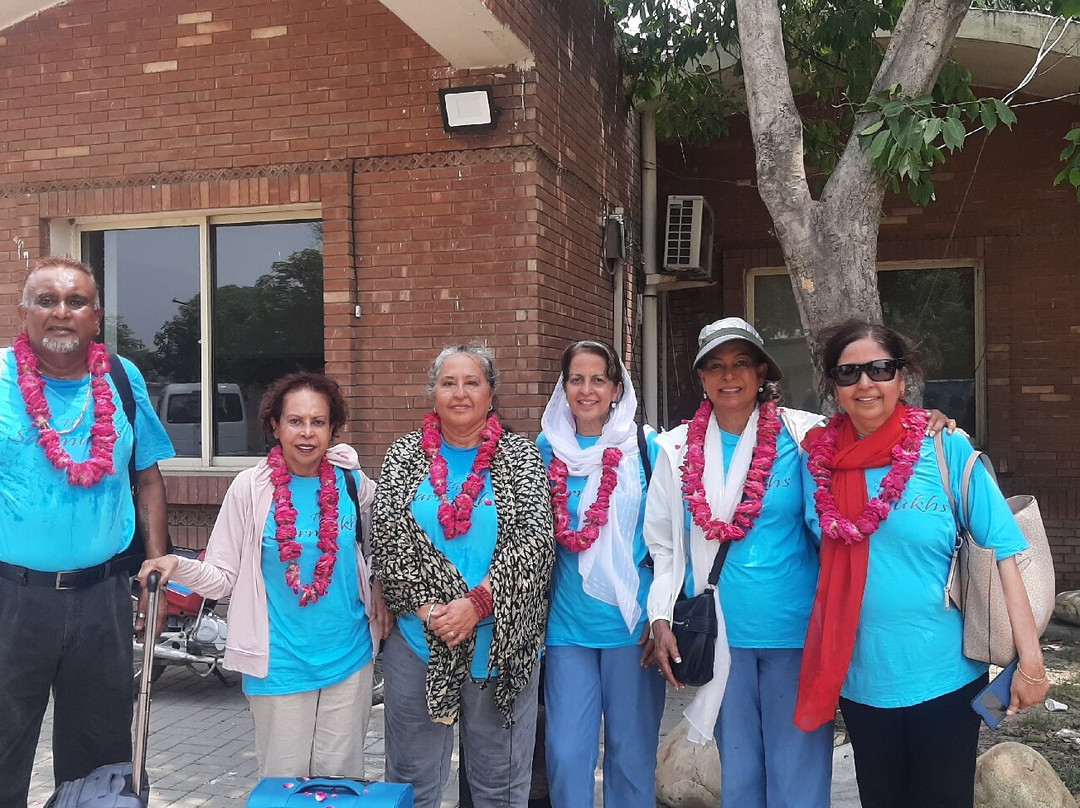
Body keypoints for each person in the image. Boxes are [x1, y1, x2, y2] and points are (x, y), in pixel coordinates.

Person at [794, 319, 1050, 808]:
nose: (865, 383)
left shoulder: (945, 448)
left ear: (903, 378)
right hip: (861, 678)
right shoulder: (816, 461)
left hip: (947, 676)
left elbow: (1006, 558)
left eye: (880, 369)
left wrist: (1031, 663)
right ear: (833, 386)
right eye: (849, 374)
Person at [139, 372, 389, 777]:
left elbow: (385, 547)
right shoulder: (251, 488)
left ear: (332, 428)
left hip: (350, 658)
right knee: (283, 789)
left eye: (318, 422)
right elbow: (223, 575)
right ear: (275, 425)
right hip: (280, 664)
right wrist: (175, 564)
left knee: (341, 787)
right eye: (295, 421)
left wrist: (380, 586)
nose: (306, 433)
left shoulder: (353, 485)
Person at [0, 256, 174, 805]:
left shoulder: (124, 379)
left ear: (96, 317)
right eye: (46, 301)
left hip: (102, 600)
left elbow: (146, 479)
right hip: (11, 599)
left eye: (76, 302)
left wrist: (155, 565)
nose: (60, 313)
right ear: (23, 312)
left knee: (99, 760)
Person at [644, 317, 836, 808]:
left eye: (741, 363)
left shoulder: (805, 436)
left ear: (762, 372)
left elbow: (831, 525)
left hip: (795, 632)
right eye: (716, 366)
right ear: (702, 378)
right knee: (740, 777)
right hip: (721, 636)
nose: (729, 376)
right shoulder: (675, 449)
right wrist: (661, 616)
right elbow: (663, 544)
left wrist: (936, 423)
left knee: (798, 774)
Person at [372, 344, 554, 808]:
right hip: (418, 641)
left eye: (471, 382)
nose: (459, 392)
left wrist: (476, 605)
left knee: (501, 787)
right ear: (432, 393)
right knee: (411, 784)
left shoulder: (520, 457)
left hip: (501, 647)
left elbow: (535, 543)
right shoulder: (404, 457)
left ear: (491, 394)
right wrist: (432, 610)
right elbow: (390, 542)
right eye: (447, 382)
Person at [535, 340, 664, 808]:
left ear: (616, 388)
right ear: (563, 386)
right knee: (567, 755)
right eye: (576, 379)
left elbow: (667, 541)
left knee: (631, 757)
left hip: (633, 628)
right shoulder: (545, 447)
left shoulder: (646, 448)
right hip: (567, 629)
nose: (587, 390)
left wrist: (663, 614)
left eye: (598, 379)